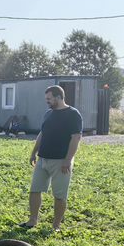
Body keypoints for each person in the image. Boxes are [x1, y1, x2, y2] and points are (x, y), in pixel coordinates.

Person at [20, 85, 82, 231]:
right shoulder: (48, 113)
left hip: (61, 161)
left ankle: (56, 226)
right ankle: (32, 220)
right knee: (34, 190)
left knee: (59, 195)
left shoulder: (73, 114)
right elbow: (42, 134)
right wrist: (33, 152)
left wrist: (68, 160)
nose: (47, 101)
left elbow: (76, 138)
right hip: (43, 159)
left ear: (58, 97)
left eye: (49, 99)